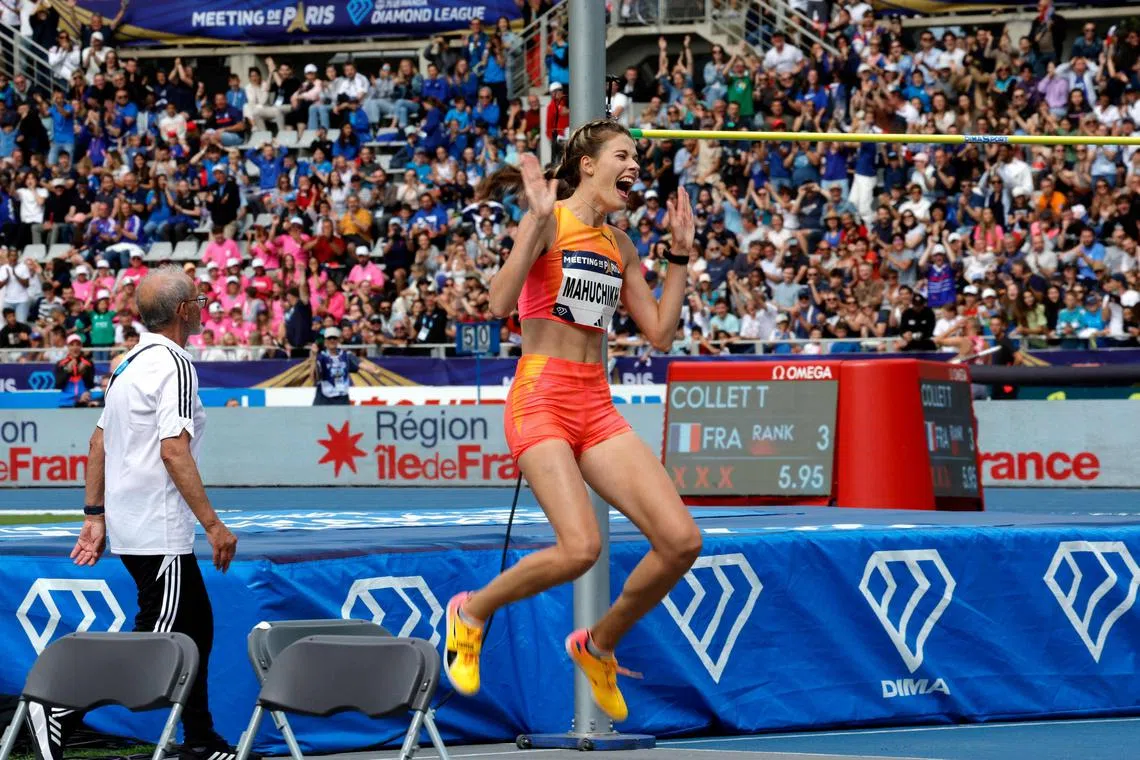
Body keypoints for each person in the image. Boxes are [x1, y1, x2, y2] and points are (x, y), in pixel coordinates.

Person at [446, 120, 701, 722]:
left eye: (637, 156)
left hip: (596, 402)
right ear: (587, 164)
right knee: (580, 547)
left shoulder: (621, 245)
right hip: (541, 395)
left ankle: (599, 643)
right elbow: (498, 303)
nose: (634, 164)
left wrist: (681, 255)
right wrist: (534, 220)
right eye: (622, 154)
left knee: (681, 541)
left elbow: (660, 334)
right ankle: (472, 611)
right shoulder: (549, 219)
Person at [65, 267, 243, 760]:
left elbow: (98, 442)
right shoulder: (175, 363)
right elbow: (173, 451)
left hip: (135, 522)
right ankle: (56, 709)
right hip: (157, 527)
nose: (205, 305)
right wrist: (213, 525)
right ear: (184, 311)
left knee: (196, 627)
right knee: (156, 638)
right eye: (201, 300)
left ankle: (200, 738)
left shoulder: (127, 363)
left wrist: (95, 514)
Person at [308, 325, 383, 405]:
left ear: (338, 340)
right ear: (325, 341)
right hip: (324, 399)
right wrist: (313, 356)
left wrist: (375, 371)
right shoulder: (321, 357)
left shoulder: (346, 355)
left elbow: (361, 364)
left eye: (335, 338)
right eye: (329, 338)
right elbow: (313, 376)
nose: (332, 340)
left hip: (342, 399)